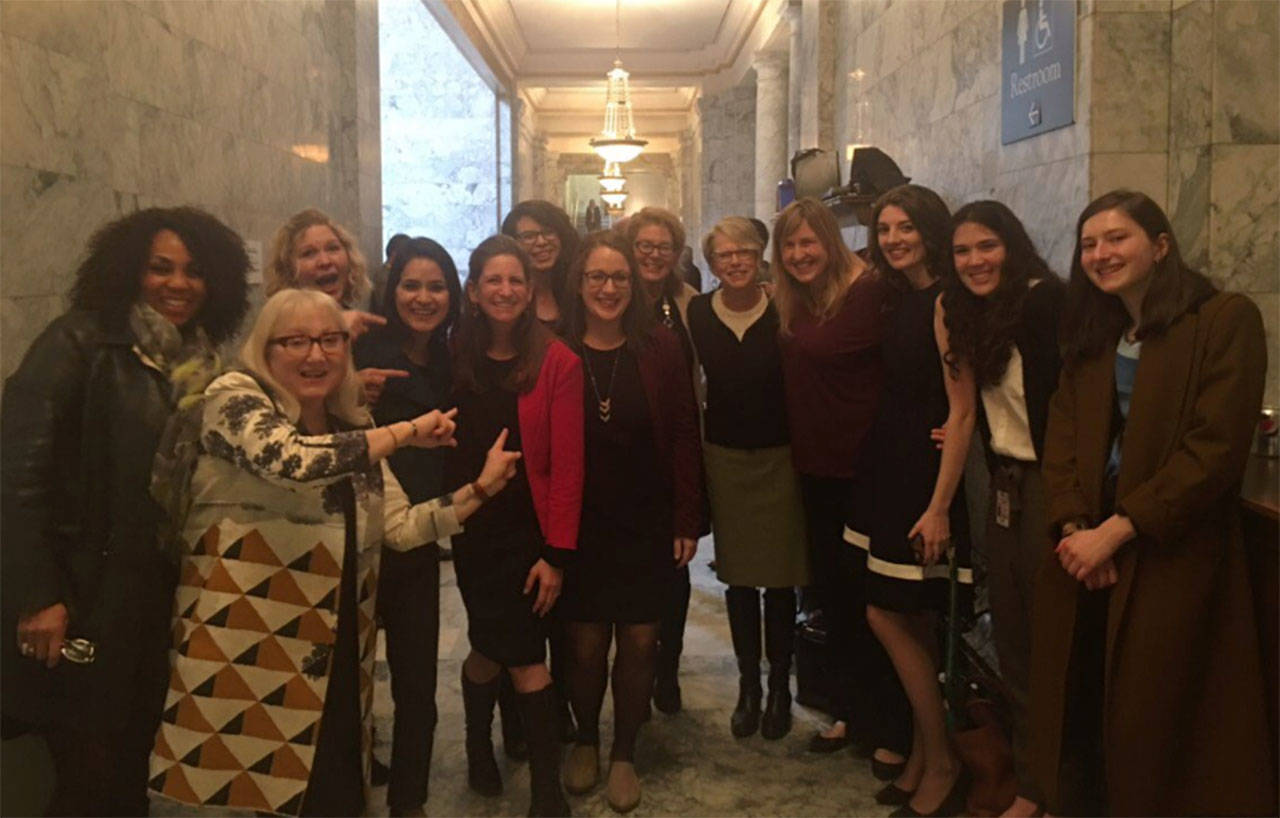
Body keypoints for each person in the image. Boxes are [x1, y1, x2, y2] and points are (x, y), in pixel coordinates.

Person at [147, 287, 520, 816]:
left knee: (337, 788)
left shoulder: (354, 425)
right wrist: (409, 431)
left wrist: (479, 490)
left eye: (330, 340)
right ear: (266, 348)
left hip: (339, 640)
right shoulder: (235, 396)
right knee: (264, 792)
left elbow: (398, 527)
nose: (315, 355)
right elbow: (291, 459)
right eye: (295, 341)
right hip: (255, 641)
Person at [1028, 190, 1274, 815]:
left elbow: (1214, 449)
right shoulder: (1096, 331)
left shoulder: (1223, 320)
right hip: (1084, 551)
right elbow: (1061, 437)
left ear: (1160, 245)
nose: (1101, 254)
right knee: (1081, 710)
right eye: (1089, 244)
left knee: (1157, 724)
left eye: (1118, 238)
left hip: (1172, 553)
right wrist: (1076, 524)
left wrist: (1119, 530)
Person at [0, 207, 249, 816]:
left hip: (161, 599)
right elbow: (16, 476)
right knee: (88, 772)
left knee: (138, 762)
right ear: (127, 272)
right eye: (159, 268)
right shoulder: (79, 343)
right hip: (87, 598)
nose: (178, 284)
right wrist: (38, 596)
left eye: (193, 272)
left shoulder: (202, 364)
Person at [557, 232, 703, 812]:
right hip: (582, 523)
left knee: (642, 641)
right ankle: (586, 737)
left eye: (619, 277)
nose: (609, 288)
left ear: (634, 285)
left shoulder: (661, 346)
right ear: (578, 282)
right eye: (597, 277)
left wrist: (687, 518)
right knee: (587, 644)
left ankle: (624, 751)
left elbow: (686, 433)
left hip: (647, 517)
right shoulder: (557, 348)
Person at [845, 185, 974, 817]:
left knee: (888, 616)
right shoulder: (900, 296)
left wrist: (941, 505)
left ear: (930, 228)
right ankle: (925, 755)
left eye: (905, 228)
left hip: (924, 479)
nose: (894, 239)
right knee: (907, 617)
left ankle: (944, 761)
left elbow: (963, 405)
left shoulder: (946, 300)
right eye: (885, 229)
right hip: (889, 468)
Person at [449, 235, 584, 817]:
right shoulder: (455, 353)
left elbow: (571, 465)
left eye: (516, 281)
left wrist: (556, 553)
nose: (505, 291)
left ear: (531, 292)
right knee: (487, 648)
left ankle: (547, 795)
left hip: (531, 532)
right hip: (473, 528)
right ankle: (480, 746)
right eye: (492, 281)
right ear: (474, 291)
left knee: (527, 656)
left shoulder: (558, 360)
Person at [941, 201, 1064, 818]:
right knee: (1011, 637)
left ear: (1011, 246)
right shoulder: (972, 314)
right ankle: (1027, 782)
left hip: (1052, 486)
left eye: (986, 247)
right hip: (1005, 485)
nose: (974, 261)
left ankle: (1050, 787)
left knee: (1050, 640)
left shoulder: (1046, 305)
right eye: (962, 251)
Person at [772, 198, 903, 766]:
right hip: (815, 469)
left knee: (880, 604)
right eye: (789, 246)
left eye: (809, 242)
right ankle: (854, 710)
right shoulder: (800, 296)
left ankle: (895, 728)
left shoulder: (870, 292)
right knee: (836, 599)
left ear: (830, 239)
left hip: (866, 469)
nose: (799, 254)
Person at [687, 217, 810, 741]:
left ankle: (780, 685)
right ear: (710, 263)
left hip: (781, 456)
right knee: (738, 577)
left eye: (744, 252)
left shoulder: (786, 304)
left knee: (780, 580)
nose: (734, 261)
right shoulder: (697, 312)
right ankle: (748, 686)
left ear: (761, 256)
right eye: (723, 254)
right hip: (726, 456)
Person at [352, 237, 460, 816]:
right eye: (411, 285)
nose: (423, 297)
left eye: (436, 285)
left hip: (418, 536)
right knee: (348, 677)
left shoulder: (449, 355)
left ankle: (408, 803)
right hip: (356, 538)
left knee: (418, 683)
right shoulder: (364, 350)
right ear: (391, 291)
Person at [623, 206, 701, 714]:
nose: (653, 255)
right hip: (622, 448)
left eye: (663, 247)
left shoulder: (689, 304)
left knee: (675, 569)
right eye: (644, 246)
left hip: (675, 442)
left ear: (676, 254)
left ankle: (666, 668)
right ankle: (634, 666)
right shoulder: (610, 297)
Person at [266, 208, 404, 404]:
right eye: (308, 253)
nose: (325, 261)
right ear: (289, 269)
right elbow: (277, 397)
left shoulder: (362, 327)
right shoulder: (275, 329)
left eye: (333, 248)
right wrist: (348, 386)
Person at [502, 200, 581, 330]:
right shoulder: (506, 295)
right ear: (513, 242)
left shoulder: (577, 291)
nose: (541, 242)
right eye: (529, 236)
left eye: (549, 232)